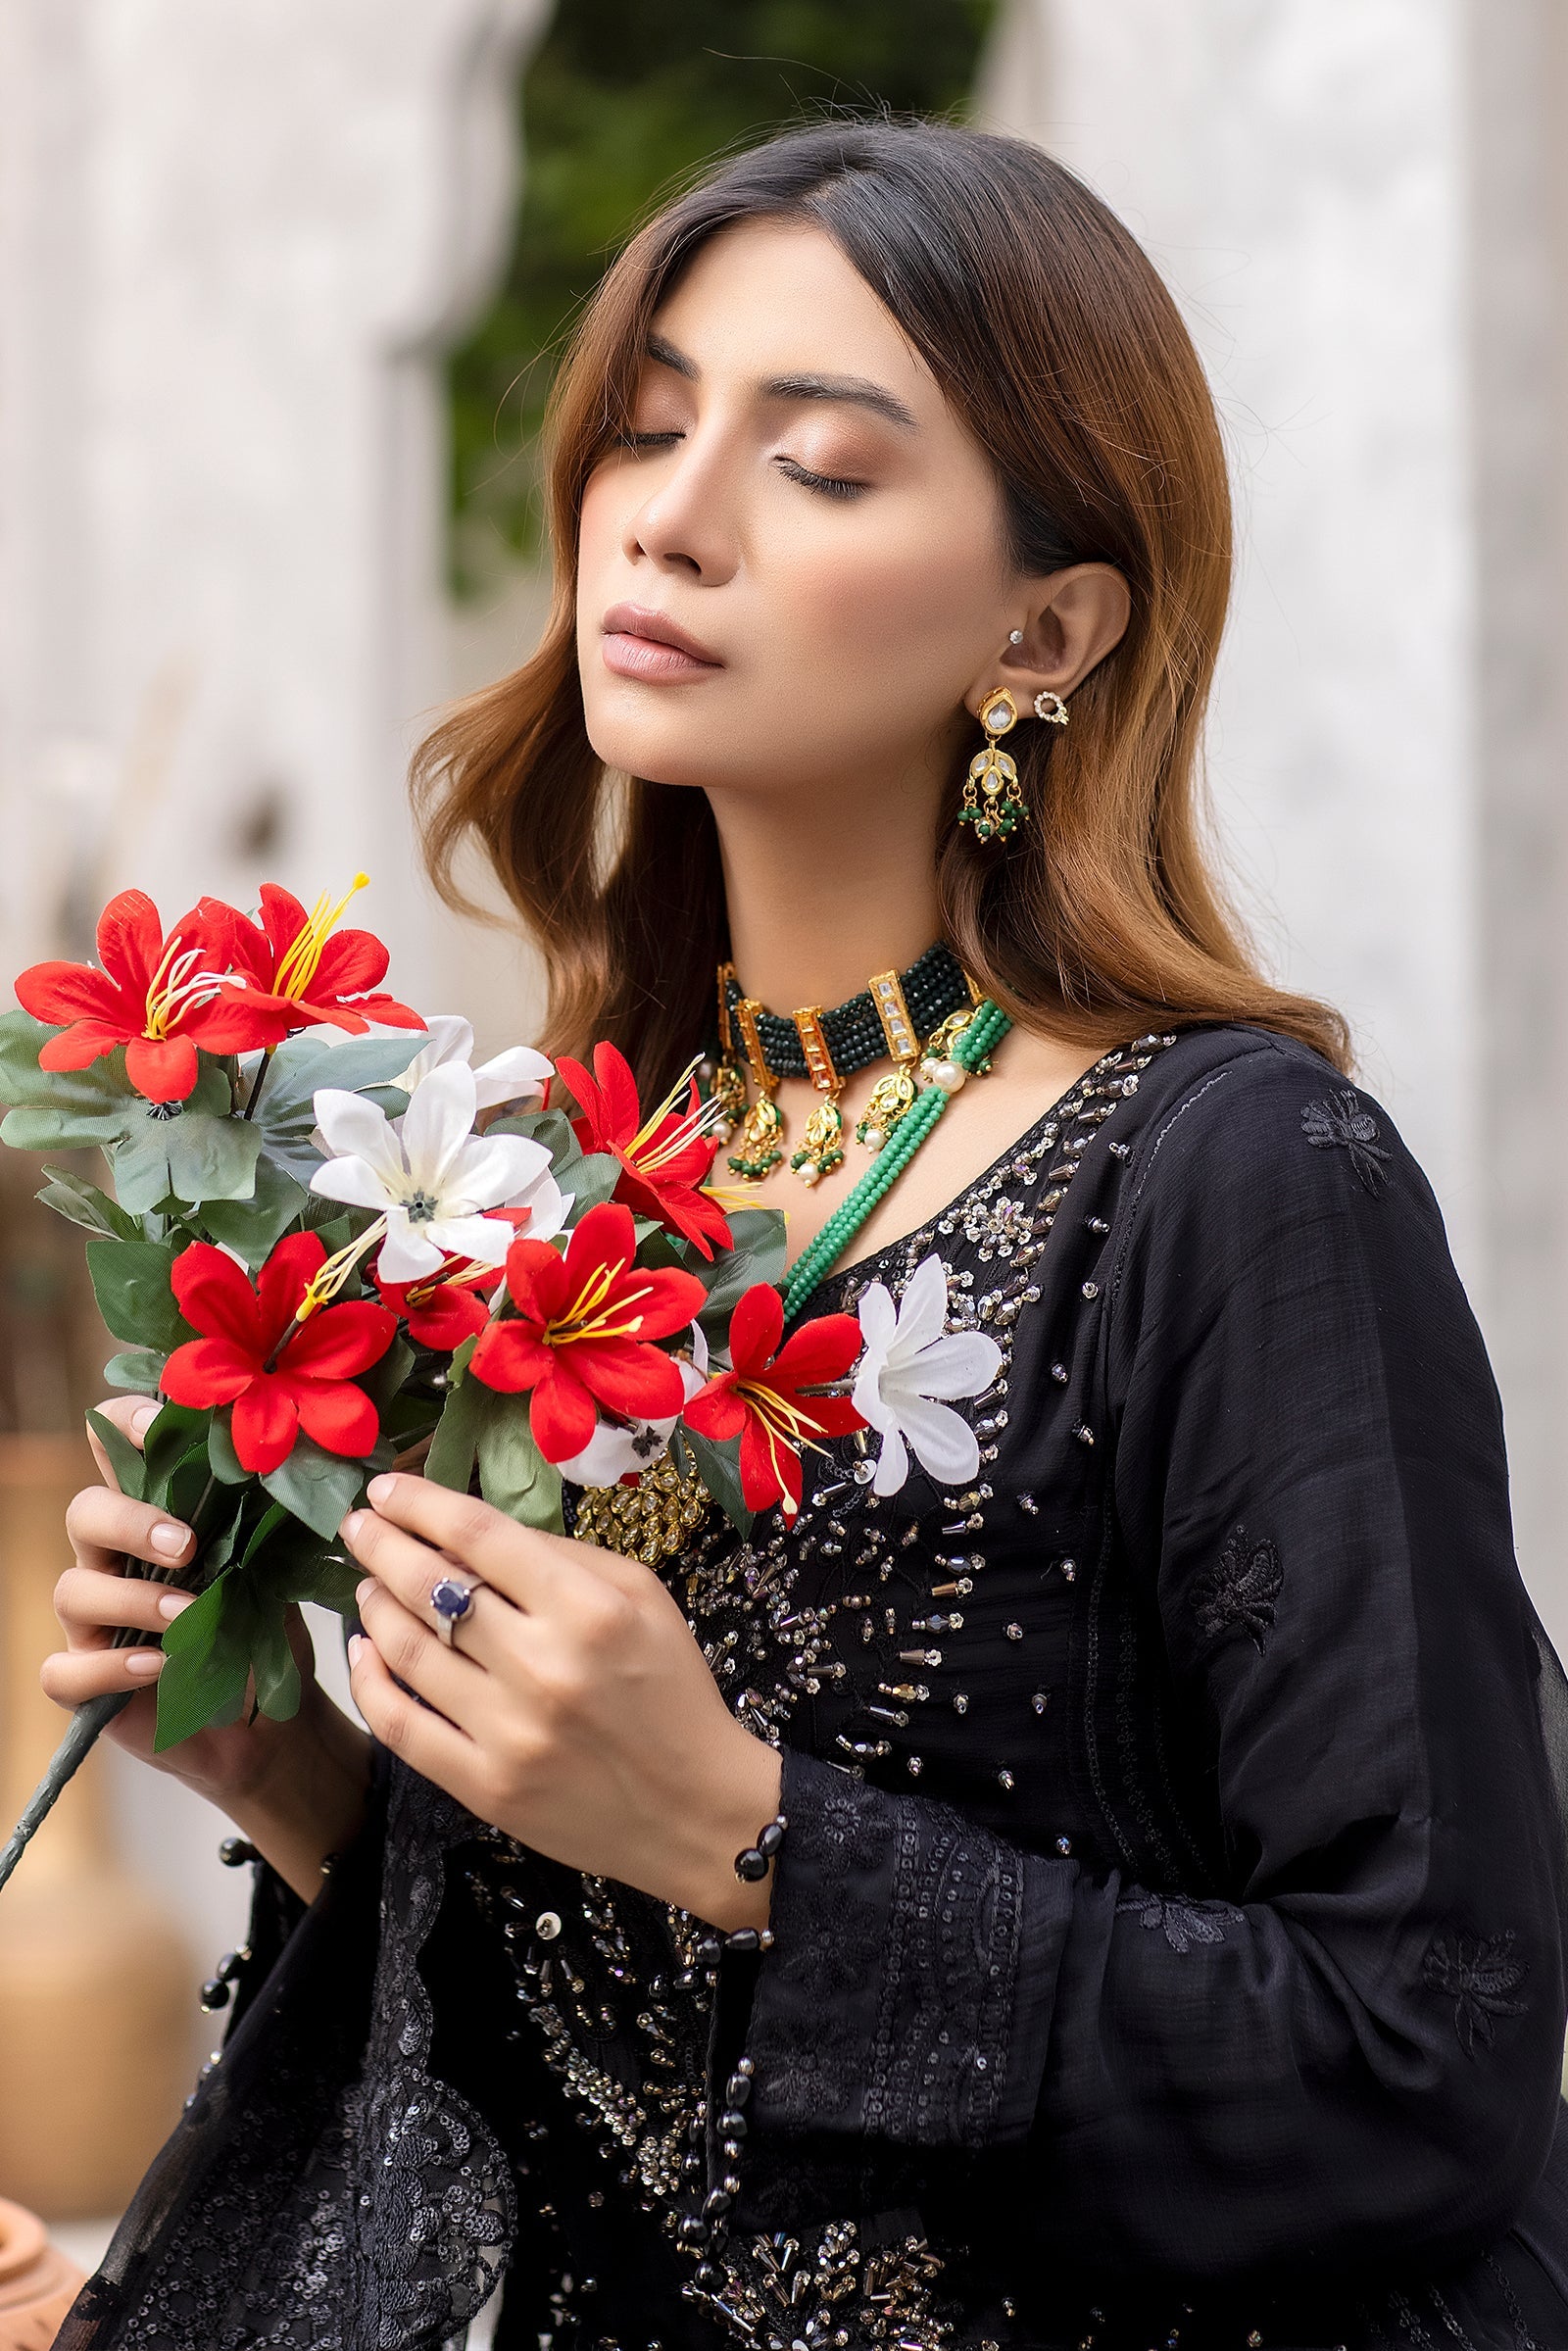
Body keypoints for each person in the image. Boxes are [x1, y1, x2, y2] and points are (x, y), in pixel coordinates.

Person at [42, 120, 1568, 2351]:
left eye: (821, 468)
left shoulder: (1235, 1184)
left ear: (1043, 629)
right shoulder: (547, 1199)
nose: (665, 513)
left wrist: (743, 1825)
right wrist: (314, 1796)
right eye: (647, 426)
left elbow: (1419, 2060)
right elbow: (594, 2073)